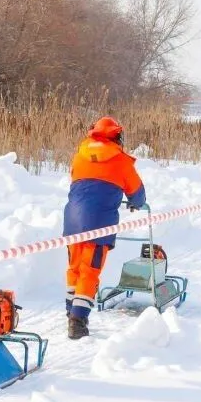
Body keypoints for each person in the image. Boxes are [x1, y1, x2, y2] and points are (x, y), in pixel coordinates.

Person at [63, 116, 147, 339]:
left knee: (74, 269)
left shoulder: (80, 155)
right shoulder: (120, 160)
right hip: (98, 223)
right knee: (89, 271)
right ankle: (78, 322)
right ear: (117, 136)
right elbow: (137, 193)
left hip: (72, 221)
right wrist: (135, 203)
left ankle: (70, 312)